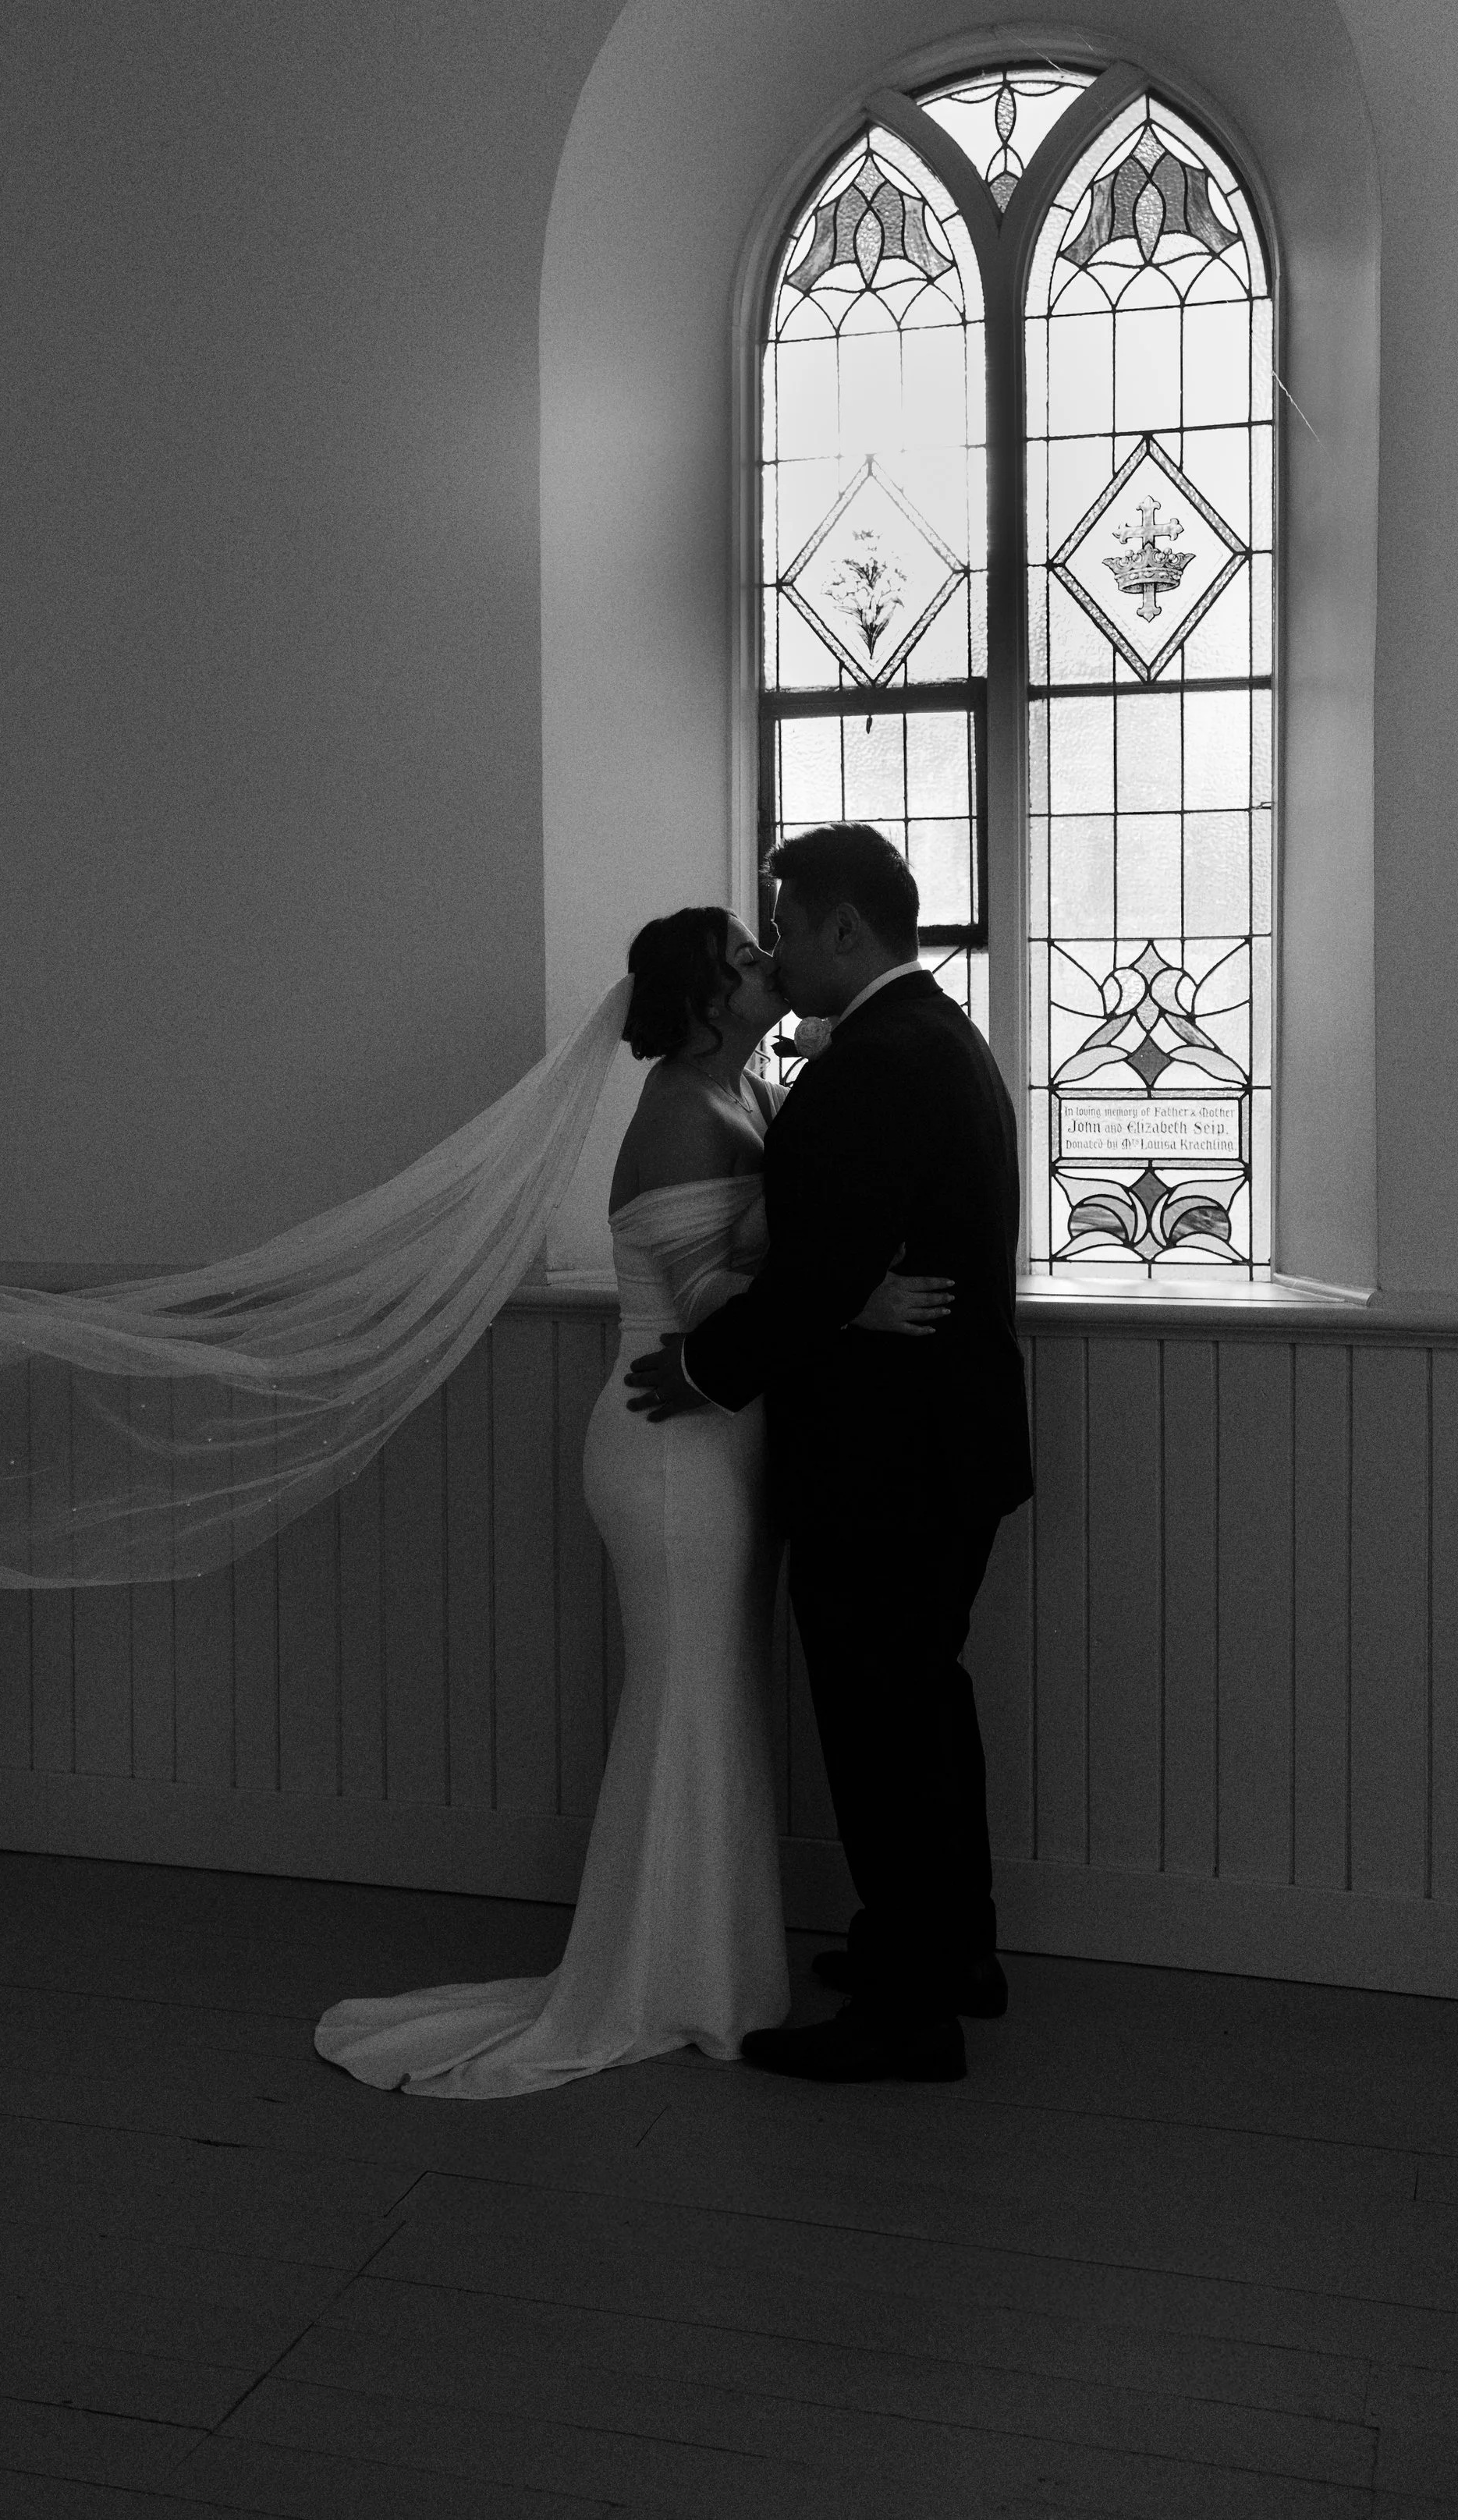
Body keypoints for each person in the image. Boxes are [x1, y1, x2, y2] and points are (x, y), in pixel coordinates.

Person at [314, 904, 948, 2096]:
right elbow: (708, 1296)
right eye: (748, 961)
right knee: (687, 1694)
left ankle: (710, 1961)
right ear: (710, 1001)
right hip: (668, 1445)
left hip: (723, 1434)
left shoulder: (748, 1096)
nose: (770, 965)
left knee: (720, 1692)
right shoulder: (674, 1114)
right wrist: (854, 1303)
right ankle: (663, 1977)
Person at [627, 824, 1033, 2085]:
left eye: (790, 926)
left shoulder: (874, 1063)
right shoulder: (932, 1038)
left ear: (844, 929)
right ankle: (947, 1947)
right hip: (938, 1449)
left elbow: (814, 1274)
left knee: (881, 1726)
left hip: (889, 1462)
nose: (782, 951)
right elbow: (835, 1262)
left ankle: (909, 2014)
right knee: (922, 1706)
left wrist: (700, 1370)